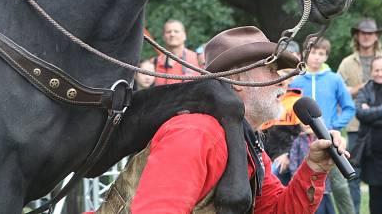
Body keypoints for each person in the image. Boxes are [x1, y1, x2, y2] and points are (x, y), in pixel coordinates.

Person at [96, 26, 349, 213]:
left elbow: (274, 211)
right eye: (271, 69)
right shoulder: (196, 133)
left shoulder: (246, 141)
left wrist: (315, 166)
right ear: (237, 80)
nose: (283, 80)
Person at [337, 18, 382, 214]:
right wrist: (357, 90)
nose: (366, 36)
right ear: (357, 35)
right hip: (357, 128)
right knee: (354, 175)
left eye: (370, 33)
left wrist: (371, 108)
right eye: (362, 33)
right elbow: (339, 90)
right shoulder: (347, 62)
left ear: (376, 36)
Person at [290, 37, 356, 214]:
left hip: (330, 140)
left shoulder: (334, 79)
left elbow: (349, 108)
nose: (317, 57)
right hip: (302, 141)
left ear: (326, 56)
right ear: (305, 54)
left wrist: (334, 125)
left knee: (340, 186)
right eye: (313, 52)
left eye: (322, 53)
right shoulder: (295, 81)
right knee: (308, 185)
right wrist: (298, 127)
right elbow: (288, 109)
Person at [355, 56, 382, 214]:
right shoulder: (365, 90)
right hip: (372, 154)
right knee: (375, 197)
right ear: (371, 72)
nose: (380, 73)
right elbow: (360, 113)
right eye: (377, 70)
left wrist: (371, 112)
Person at [261, 68, 303, 185]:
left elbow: (302, 134)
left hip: (285, 158)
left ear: (291, 79)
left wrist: (288, 154)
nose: (279, 80)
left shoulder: (296, 102)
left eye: (283, 76)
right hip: (265, 156)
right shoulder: (265, 102)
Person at [290, 124, 335, 214]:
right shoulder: (298, 141)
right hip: (304, 181)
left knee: (323, 208)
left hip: (322, 185)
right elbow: (293, 160)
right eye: (303, 123)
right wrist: (294, 175)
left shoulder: (322, 140)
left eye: (310, 123)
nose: (307, 125)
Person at [153, 19, 200, 86]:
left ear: (184, 35)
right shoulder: (155, 62)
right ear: (163, 37)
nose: (172, 34)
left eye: (176, 31)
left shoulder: (197, 59)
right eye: (168, 32)